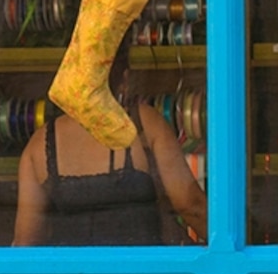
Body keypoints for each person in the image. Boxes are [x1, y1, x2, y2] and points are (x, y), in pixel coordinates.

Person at [11, 40, 207, 246]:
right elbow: (191, 206)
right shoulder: (144, 125)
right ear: (125, 79)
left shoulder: (39, 144)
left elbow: (26, 241)